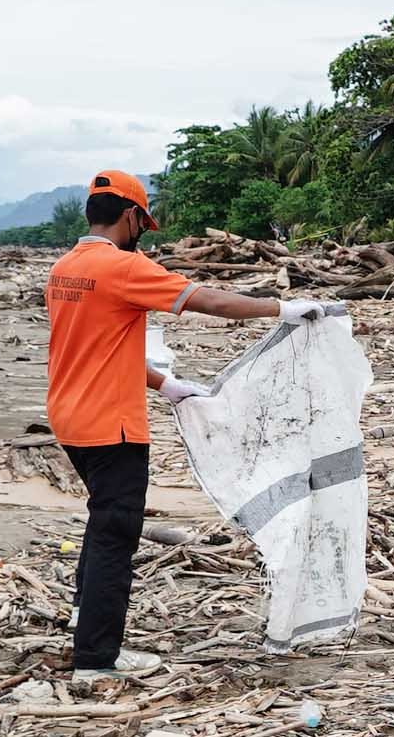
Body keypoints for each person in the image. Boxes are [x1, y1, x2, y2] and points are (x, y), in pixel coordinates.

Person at [43, 169, 333, 689]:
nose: (143, 234)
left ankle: (83, 615)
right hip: (112, 426)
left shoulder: (65, 268)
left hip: (70, 417)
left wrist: (164, 384)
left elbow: (98, 348)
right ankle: (95, 657)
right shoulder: (121, 267)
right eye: (143, 223)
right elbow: (210, 301)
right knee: (116, 533)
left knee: (101, 519)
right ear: (129, 215)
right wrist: (282, 309)